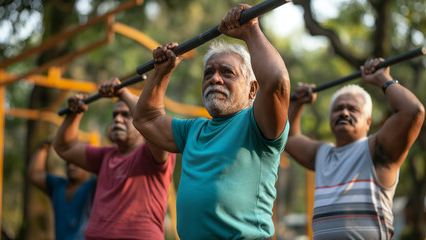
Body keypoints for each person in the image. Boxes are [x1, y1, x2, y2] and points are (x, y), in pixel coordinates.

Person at [134, 3, 290, 239]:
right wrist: (162, 72)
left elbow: (277, 81)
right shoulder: (192, 130)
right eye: (208, 73)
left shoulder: (257, 123)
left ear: (251, 90)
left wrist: (250, 30)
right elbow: (146, 119)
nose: (215, 79)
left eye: (227, 72)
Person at [285, 58, 425, 239]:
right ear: (330, 120)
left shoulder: (377, 149)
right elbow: (288, 138)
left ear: (368, 122)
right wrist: (297, 104)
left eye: (353, 109)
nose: (344, 113)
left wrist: (382, 79)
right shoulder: (322, 154)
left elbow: (413, 112)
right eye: (338, 109)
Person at [53, 78, 176, 239]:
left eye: (125, 115)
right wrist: (74, 115)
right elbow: (64, 147)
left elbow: (151, 121)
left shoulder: (154, 152)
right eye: (115, 115)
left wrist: (123, 93)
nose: (117, 119)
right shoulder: (105, 156)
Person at [28, 139, 95, 240]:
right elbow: (34, 174)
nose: (71, 166)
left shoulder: (95, 186)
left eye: (76, 162)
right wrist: (43, 148)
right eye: (68, 162)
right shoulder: (58, 186)